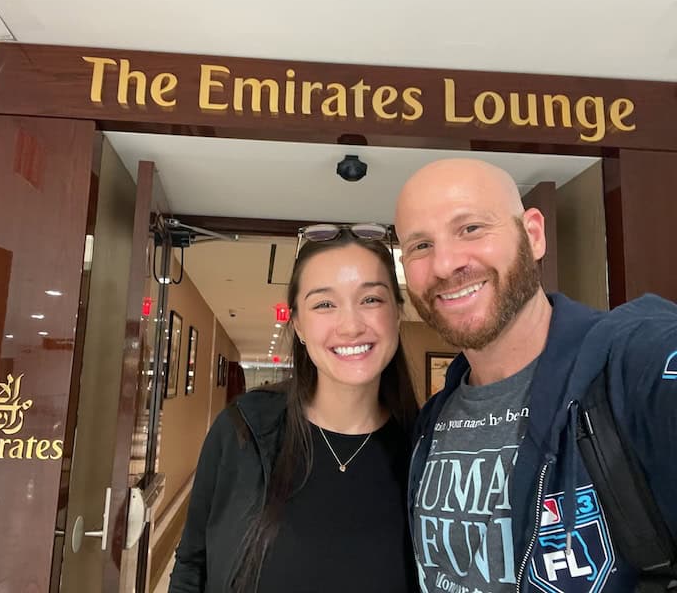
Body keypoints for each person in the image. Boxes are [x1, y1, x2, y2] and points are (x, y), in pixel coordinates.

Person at [394, 157, 677, 592]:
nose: (445, 264)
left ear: (534, 234)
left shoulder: (629, 362)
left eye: (470, 228)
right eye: (420, 246)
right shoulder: (432, 422)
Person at [169, 226, 418, 593]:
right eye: (324, 304)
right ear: (298, 324)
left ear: (397, 314)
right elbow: (193, 565)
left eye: (371, 300)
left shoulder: (427, 451)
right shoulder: (243, 431)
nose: (350, 326)